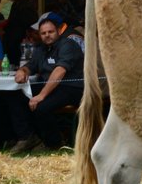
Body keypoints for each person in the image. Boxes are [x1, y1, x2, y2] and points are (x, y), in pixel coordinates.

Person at [8, 13, 86, 154]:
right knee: (15, 95)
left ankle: (54, 144)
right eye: (43, 33)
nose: (47, 35)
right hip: (50, 86)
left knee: (41, 107)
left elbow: (59, 72)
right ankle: (27, 137)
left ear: (58, 31)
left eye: (50, 32)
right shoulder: (41, 49)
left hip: (71, 87)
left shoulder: (68, 45)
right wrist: (23, 71)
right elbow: (31, 65)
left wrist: (41, 95)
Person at [4, 0, 39, 67]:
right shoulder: (15, 4)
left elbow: (31, 28)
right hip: (13, 45)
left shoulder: (28, 6)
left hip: (23, 46)